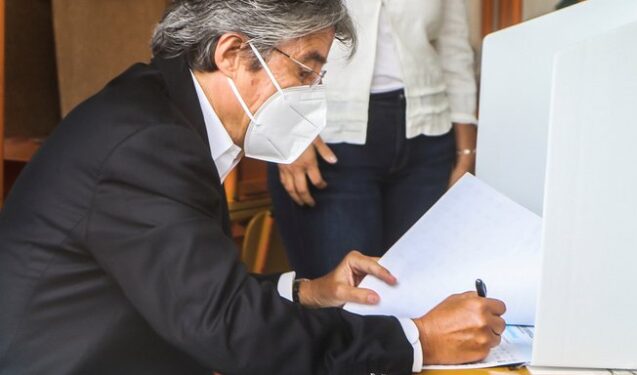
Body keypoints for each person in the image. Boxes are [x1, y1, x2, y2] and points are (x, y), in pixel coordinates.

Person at [0, 1, 507, 374]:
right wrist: (417, 339)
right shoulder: (149, 146)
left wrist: (309, 292)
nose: (314, 92)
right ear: (234, 53)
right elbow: (228, 327)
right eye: (306, 67)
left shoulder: (163, 113)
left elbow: (201, 291)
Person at [269, 0, 480, 279]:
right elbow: (259, 29)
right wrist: (285, 126)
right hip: (326, 136)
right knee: (344, 304)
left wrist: (467, 151)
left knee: (418, 296)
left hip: (428, 137)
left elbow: (453, 44)